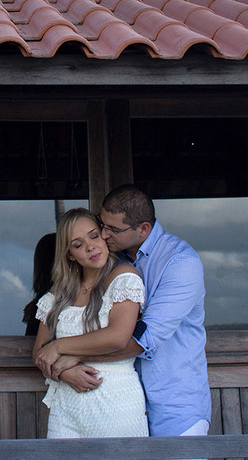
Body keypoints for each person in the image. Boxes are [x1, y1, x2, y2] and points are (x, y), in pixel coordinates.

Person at [36, 185, 210, 438]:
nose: (104, 236)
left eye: (112, 230)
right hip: (118, 399)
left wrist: (66, 355)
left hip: (172, 403)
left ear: (143, 229)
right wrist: (63, 368)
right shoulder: (115, 260)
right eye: (102, 226)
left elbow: (142, 340)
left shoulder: (180, 263)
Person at [32, 208, 149, 439]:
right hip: (65, 405)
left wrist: (57, 346)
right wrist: (65, 373)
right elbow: (39, 352)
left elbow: (117, 337)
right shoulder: (58, 293)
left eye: (94, 236)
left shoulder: (123, 276)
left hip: (114, 402)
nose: (90, 247)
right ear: (70, 255)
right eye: (77, 244)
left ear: (104, 237)